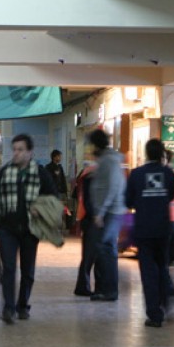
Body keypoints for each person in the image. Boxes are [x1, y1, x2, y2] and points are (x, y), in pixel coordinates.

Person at [0, 134, 57, 324]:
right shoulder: (5, 171)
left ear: (30, 152)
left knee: (28, 271)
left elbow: (53, 196)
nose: (16, 153)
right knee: (8, 268)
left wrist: (40, 207)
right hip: (7, 228)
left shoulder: (41, 173)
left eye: (20, 150)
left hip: (30, 230)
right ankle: (8, 307)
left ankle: (23, 305)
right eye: (14, 149)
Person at [125, 139, 174, 327]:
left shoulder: (137, 174)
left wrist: (142, 203)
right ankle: (167, 303)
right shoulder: (168, 173)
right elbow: (171, 195)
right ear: (162, 153)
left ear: (147, 153)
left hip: (144, 229)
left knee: (148, 272)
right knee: (162, 267)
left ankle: (154, 314)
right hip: (164, 228)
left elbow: (128, 201)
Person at [88, 129, 126, 302]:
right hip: (110, 210)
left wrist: (100, 212)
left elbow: (111, 187)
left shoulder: (109, 161)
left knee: (105, 249)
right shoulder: (108, 160)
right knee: (106, 249)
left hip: (110, 211)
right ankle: (105, 289)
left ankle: (109, 290)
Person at [72, 161, 100, 296]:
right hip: (90, 218)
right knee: (90, 255)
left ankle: (84, 285)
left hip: (87, 217)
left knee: (90, 255)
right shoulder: (92, 173)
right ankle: (82, 286)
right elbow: (89, 199)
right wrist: (95, 214)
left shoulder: (87, 172)